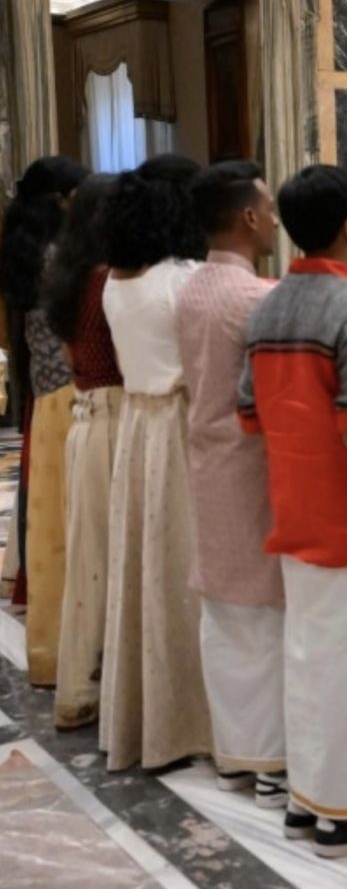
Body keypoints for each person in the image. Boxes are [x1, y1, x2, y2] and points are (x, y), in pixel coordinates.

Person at [239, 165, 347, 854]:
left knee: (309, 656)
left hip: (293, 503)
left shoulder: (268, 306)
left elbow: (251, 418)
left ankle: (309, 798)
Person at [175, 161, 288, 806]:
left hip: (205, 462)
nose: (273, 218)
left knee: (223, 616)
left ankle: (234, 752)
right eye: (268, 207)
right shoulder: (258, 297)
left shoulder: (189, 289)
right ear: (248, 216)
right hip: (253, 467)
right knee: (266, 616)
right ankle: (272, 759)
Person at [100, 154, 213, 770]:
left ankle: (148, 716)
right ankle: (192, 722)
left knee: (146, 571)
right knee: (184, 573)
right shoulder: (183, 279)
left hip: (137, 425)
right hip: (179, 425)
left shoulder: (116, 281)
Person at [40, 173, 119, 726]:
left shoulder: (67, 280)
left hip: (84, 417)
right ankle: (112, 684)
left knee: (88, 557)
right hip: (115, 419)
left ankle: (85, 683)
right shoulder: (108, 282)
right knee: (113, 559)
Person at [0, 156, 87, 631]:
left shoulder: (25, 250)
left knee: (46, 503)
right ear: (61, 202)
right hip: (71, 391)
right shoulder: (63, 257)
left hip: (43, 389)